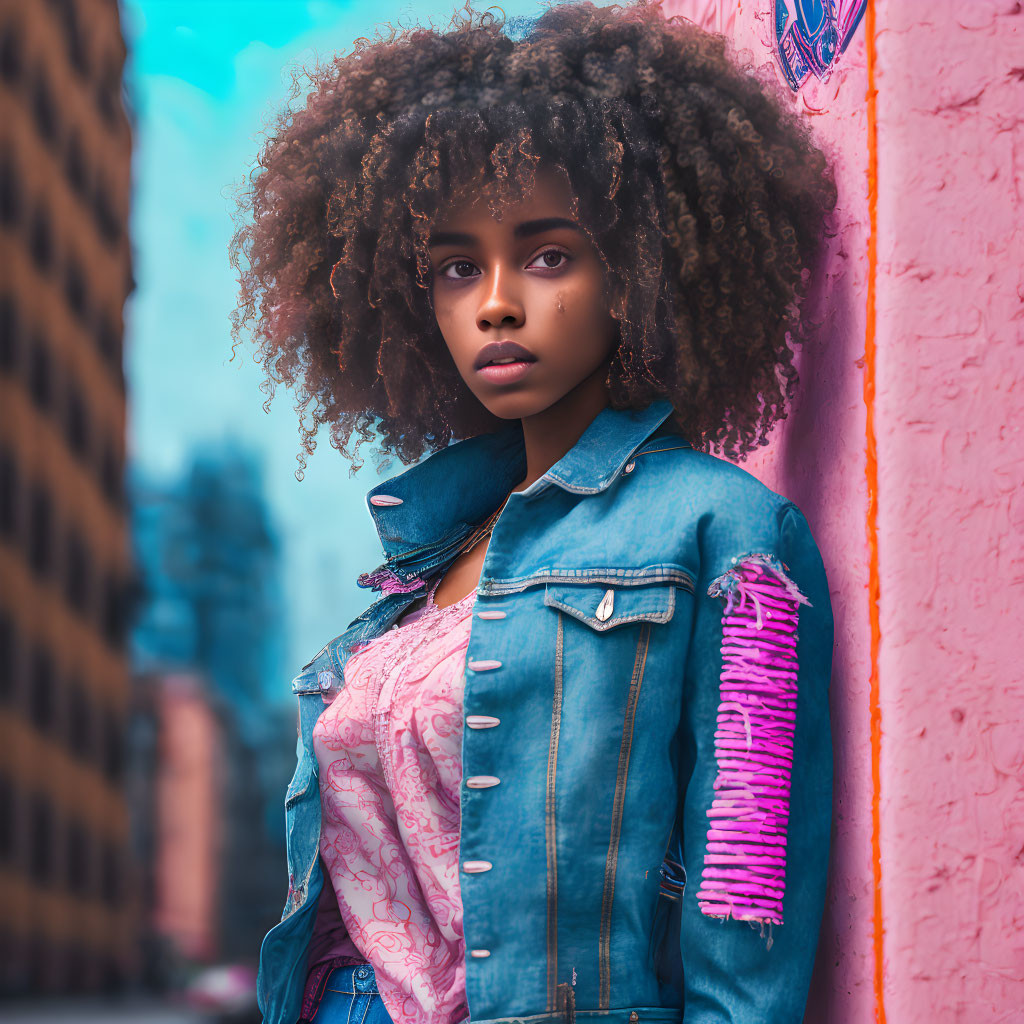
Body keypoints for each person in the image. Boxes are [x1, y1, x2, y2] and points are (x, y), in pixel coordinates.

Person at [230, 2, 838, 1022]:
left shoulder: (726, 536)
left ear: (637, 271)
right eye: (458, 266)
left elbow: (747, 894)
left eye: (548, 254)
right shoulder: (423, 561)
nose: (496, 303)